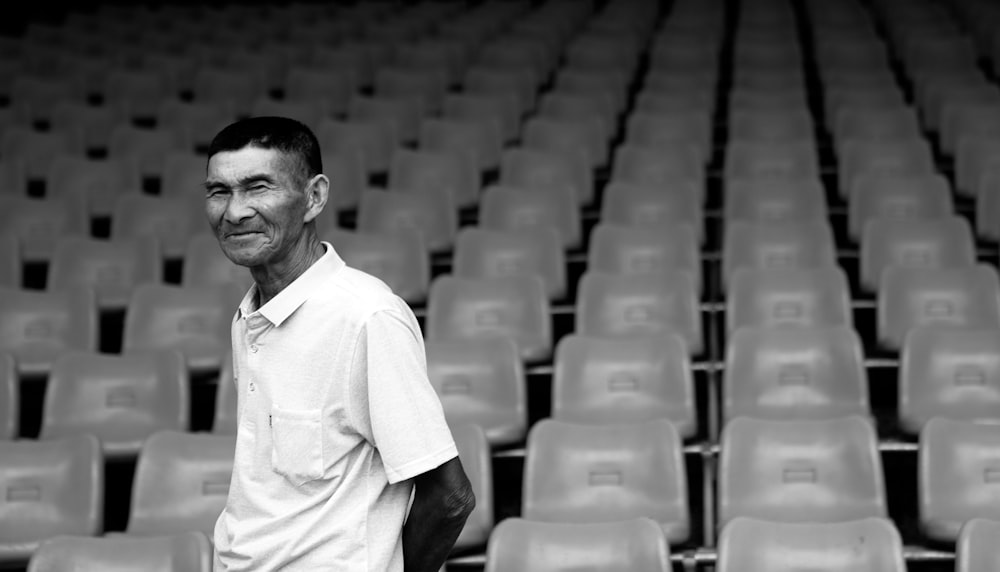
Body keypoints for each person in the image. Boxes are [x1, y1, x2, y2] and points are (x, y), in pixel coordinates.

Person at [204, 116, 475, 571]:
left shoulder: (366, 318)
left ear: (314, 197)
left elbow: (451, 498)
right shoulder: (250, 314)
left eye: (257, 187)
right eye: (218, 191)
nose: (234, 212)